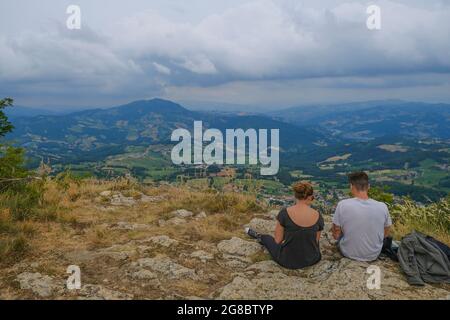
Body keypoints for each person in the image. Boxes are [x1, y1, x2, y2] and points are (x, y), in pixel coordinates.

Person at [245, 181, 324, 269]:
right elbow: (315, 242)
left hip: (288, 261)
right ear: (310, 197)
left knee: (267, 238)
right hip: (312, 259)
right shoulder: (318, 215)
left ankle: (258, 236)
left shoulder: (285, 213)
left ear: (295, 195)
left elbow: (278, 240)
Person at [331, 171, 392, 262]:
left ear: (351, 186)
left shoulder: (343, 204)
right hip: (374, 254)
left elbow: (336, 234)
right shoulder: (382, 206)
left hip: (348, 252)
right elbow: (386, 233)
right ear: (369, 186)